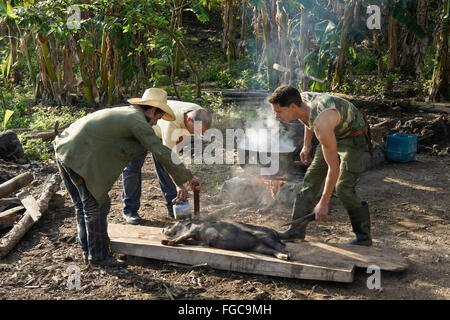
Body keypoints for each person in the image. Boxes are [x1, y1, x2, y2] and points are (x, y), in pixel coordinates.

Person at [53, 88, 202, 267]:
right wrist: (188, 178)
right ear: (152, 110)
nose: (156, 123)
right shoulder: (137, 121)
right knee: (96, 206)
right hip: (76, 156)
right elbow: (160, 151)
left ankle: (88, 248)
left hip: (64, 149)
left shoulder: (130, 114)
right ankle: (99, 257)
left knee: (84, 205)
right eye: (158, 118)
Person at [269, 85, 372, 246]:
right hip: (333, 132)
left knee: (344, 187)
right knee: (311, 178)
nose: (276, 116)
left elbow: (334, 168)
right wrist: (307, 145)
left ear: (292, 107)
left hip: (353, 136)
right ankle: (295, 231)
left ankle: (364, 237)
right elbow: (306, 118)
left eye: (279, 111)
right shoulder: (301, 101)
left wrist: (324, 202)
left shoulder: (322, 124)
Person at [121, 100, 212, 224]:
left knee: (165, 168)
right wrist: (179, 185)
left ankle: (173, 206)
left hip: (161, 134)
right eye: (196, 131)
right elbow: (168, 159)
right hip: (142, 129)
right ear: (189, 120)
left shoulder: (199, 113)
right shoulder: (171, 123)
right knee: (133, 167)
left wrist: (187, 177)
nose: (197, 134)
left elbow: (173, 157)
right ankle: (130, 210)